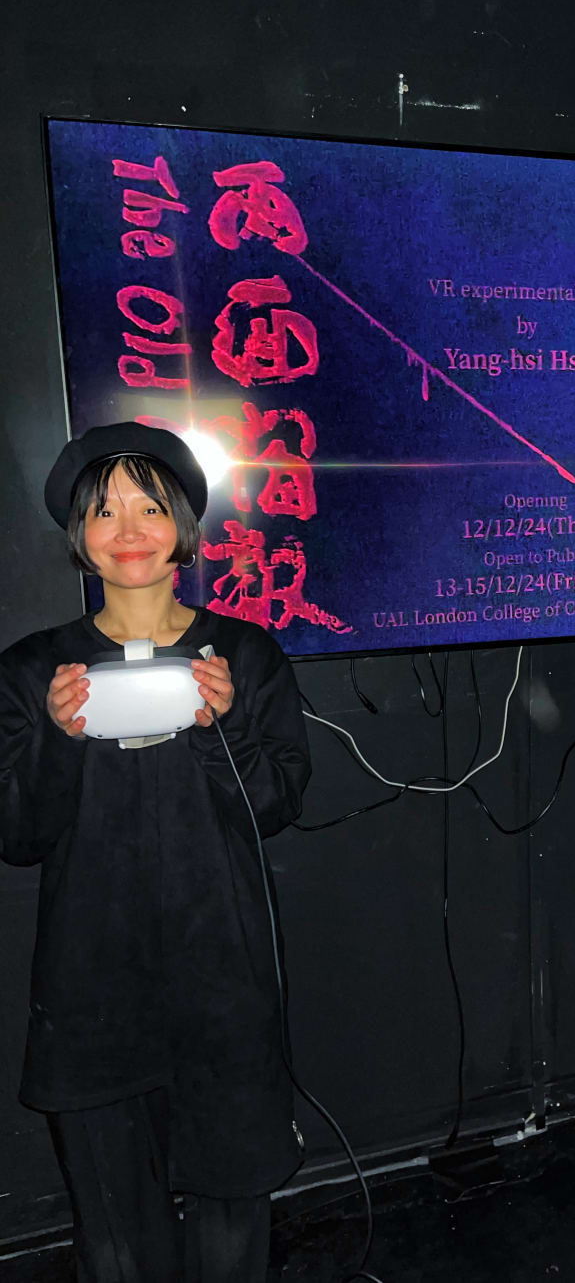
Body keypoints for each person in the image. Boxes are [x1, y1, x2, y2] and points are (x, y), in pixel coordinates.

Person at [0, 422, 311, 1282]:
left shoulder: (244, 654)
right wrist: (61, 737)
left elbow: (279, 802)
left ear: (182, 522)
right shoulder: (35, 670)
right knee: (116, 1235)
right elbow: (16, 833)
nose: (129, 528)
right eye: (104, 510)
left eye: (149, 504)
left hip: (221, 981)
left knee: (230, 1215)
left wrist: (221, 726)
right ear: (77, 533)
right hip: (90, 988)